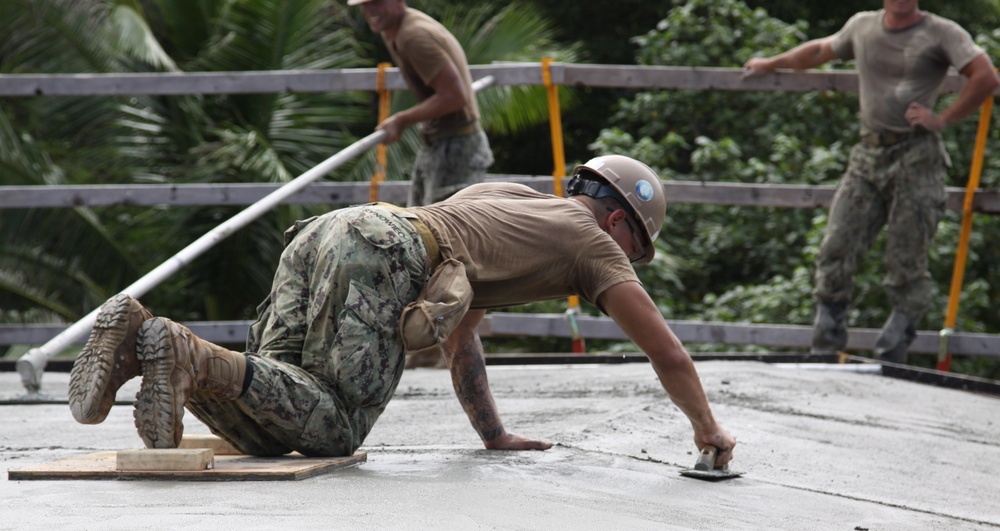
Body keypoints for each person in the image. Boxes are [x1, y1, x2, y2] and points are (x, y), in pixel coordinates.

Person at [67, 155, 737, 468]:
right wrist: (707, 429)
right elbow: (668, 352)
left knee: (269, 428)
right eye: (636, 247)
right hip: (383, 253)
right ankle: (182, 349)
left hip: (331, 228)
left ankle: (149, 339)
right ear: (620, 220)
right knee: (335, 428)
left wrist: (493, 434)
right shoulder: (596, 246)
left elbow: (462, 336)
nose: (628, 260)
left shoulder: (502, 196)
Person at [743, 0, 1000, 363]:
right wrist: (771, 63)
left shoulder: (941, 32)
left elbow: (986, 76)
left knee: (906, 257)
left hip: (917, 156)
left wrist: (941, 118)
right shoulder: (863, 26)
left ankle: (894, 349)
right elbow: (819, 50)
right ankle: (826, 343)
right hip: (868, 153)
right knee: (837, 243)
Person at [350, 0, 493, 207]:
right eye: (364, 4)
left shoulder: (414, 36)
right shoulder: (392, 30)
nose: (369, 10)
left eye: (377, 2)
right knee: (418, 220)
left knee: (445, 230)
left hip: (456, 146)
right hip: (437, 141)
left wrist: (401, 120)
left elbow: (454, 97)